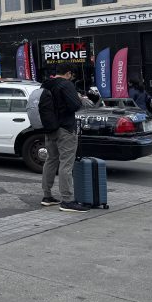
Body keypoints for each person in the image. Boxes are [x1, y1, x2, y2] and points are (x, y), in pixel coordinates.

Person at [40, 65, 88, 213]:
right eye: (71, 76)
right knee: (66, 164)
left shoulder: (46, 84)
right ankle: (67, 200)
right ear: (68, 73)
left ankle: (47, 196)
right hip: (65, 129)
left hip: (50, 128)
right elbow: (74, 106)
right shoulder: (66, 85)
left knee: (51, 160)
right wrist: (80, 98)